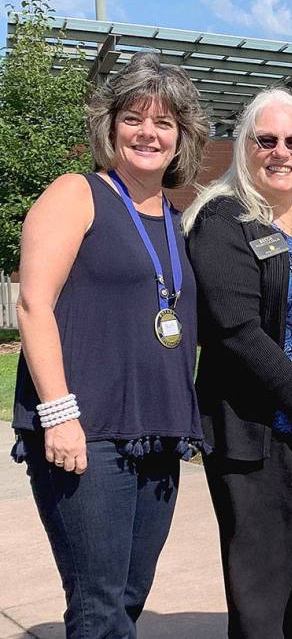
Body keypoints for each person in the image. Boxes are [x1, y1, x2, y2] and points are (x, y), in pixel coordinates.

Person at [9, 51, 208, 637]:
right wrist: (59, 415)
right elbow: (33, 305)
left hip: (159, 431)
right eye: (134, 118)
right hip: (86, 431)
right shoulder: (77, 193)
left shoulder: (177, 215)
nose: (148, 132)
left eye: (164, 122)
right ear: (110, 126)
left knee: (127, 596)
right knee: (98, 605)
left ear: (182, 138)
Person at [183, 88, 292, 638]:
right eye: (267, 140)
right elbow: (237, 332)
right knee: (263, 593)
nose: (281, 152)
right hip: (262, 435)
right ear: (244, 146)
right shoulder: (223, 218)